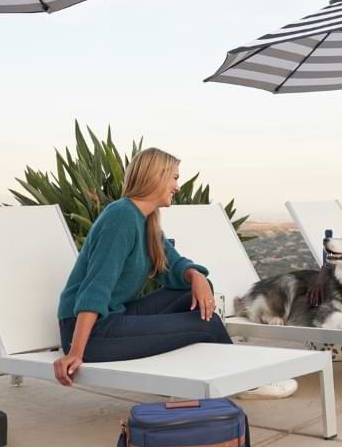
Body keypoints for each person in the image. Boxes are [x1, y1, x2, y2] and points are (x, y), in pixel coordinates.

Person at [53, 147, 229, 386]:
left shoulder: (146, 220)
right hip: (93, 331)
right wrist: (75, 352)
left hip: (116, 315)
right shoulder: (121, 217)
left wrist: (196, 275)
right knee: (206, 324)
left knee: (197, 288)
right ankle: (243, 381)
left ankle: (197, 371)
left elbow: (174, 265)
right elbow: (97, 286)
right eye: (175, 178)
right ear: (155, 176)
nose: (177, 187)